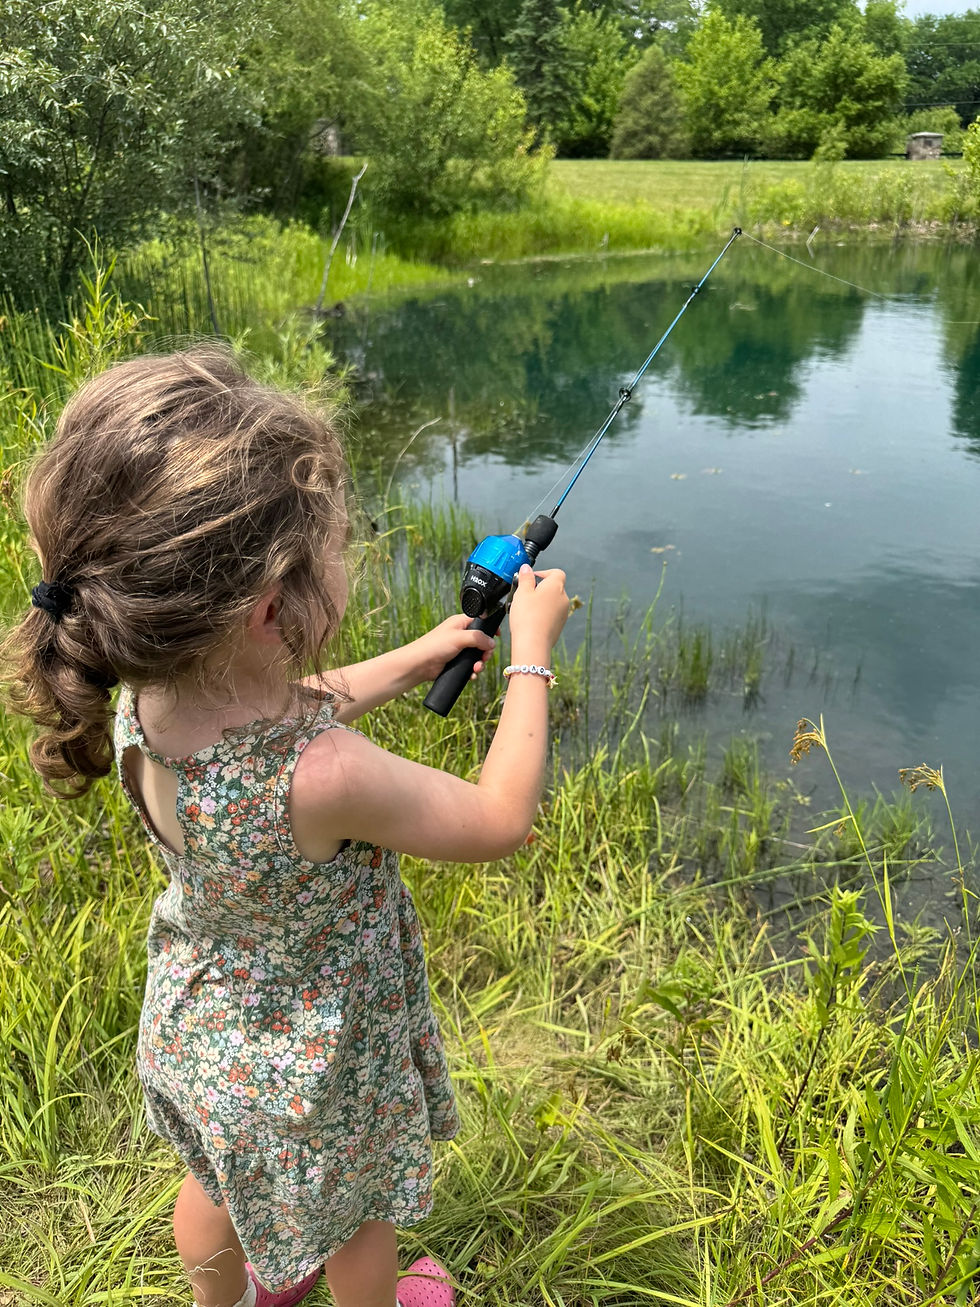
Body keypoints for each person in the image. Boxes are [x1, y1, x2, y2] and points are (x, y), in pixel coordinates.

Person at [3, 347, 570, 1307]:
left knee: (216, 1184)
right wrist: (531, 655)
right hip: (320, 1058)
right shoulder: (327, 773)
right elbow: (501, 818)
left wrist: (418, 655)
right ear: (275, 605)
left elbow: (280, 711)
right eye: (339, 546)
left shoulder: (146, 689)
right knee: (358, 1220)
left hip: (203, 1022)